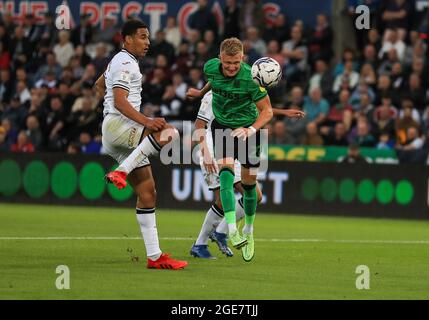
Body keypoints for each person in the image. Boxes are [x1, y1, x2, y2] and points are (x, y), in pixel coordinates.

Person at [95, 20, 187, 270]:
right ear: (127, 39)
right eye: (143, 37)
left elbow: (99, 86)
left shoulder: (119, 61)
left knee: (147, 192)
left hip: (116, 129)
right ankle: (121, 171)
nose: (148, 42)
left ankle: (155, 256)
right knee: (169, 132)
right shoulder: (125, 62)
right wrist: (146, 120)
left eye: (148, 38)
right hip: (120, 127)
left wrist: (107, 112)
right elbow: (121, 101)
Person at [186, 37, 274, 262]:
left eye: (236, 63)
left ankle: (239, 232)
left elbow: (265, 110)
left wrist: (252, 129)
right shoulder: (212, 74)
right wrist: (200, 92)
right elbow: (200, 121)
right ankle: (223, 233)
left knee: (250, 190)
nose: (232, 67)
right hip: (219, 134)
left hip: (246, 133)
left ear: (242, 58)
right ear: (219, 60)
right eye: (227, 64)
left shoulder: (250, 80)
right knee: (224, 183)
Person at [191, 91, 305, 259]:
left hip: (233, 144)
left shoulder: (238, 85)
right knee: (224, 200)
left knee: (254, 196)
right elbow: (199, 124)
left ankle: (216, 234)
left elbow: (256, 107)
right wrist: (205, 152)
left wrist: (283, 112)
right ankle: (204, 242)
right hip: (213, 147)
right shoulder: (213, 94)